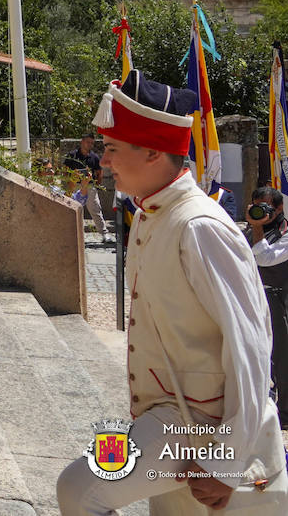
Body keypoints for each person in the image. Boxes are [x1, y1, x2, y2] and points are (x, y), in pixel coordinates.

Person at [56, 70, 287, 515]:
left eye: (113, 148)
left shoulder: (199, 226)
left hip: (201, 425)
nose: (105, 162)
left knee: (80, 488)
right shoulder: (151, 215)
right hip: (168, 420)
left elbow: (251, 345)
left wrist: (227, 460)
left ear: (152, 152)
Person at [247, 186, 288, 428]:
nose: (262, 211)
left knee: (282, 356)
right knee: (253, 354)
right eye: (257, 206)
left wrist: (256, 227)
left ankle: (285, 413)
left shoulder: (285, 232)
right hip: (251, 299)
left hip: (278, 300)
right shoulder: (246, 230)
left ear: (279, 208)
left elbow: (265, 258)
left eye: (266, 206)